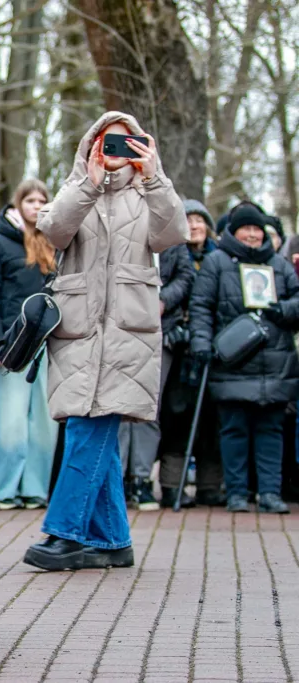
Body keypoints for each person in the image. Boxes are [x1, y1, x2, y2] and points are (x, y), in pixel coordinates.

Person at [23, 112, 188, 572]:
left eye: (125, 144)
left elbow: (172, 233)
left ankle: (64, 534)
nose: (114, 153)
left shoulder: (148, 194)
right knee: (92, 426)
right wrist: (89, 183)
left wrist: (155, 178)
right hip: (78, 328)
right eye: (105, 143)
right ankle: (113, 541)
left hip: (127, 332)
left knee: (88, 426)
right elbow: (53, 232)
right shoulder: (76, 190)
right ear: (90, 146)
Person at [189, 203, 299, 514]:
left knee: (271, 432)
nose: (251, 234)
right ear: (233, 232)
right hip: (232, 362)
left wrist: (284, 310)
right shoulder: (216, 262)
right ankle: (236, 492)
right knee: (233, 430)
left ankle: (269, 493)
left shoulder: (278, 264)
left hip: (275, 364)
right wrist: (201, 345)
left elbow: (298, 300)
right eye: (245, 228)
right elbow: (201, 306)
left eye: (256, 229)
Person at [0, 179, 60, 511]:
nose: (37, 206)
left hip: (49, 345)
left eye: (43, 200)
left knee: (45, 424)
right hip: (10, 348)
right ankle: (6, 490)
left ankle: (35, 490)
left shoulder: (57, 243)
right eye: (30, 200)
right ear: (18, 204)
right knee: (8, 423)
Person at [156, 199, 225, 508]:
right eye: (188, 220)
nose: (194, 225)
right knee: (177, 417)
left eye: (199, 220)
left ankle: (211, 485)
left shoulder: (220, 258)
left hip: (211, 348)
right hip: (177, 346)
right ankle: (173, 484)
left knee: (211, 419)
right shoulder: (172, 254)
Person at [118, 237, 195, 511]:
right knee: (120, 403)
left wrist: (163, 301)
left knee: (149, 406)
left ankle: (141, 478)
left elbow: (186, 276)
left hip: (161, 332)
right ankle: (119, 477)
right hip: (123, 327)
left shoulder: (171, 233)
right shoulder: (126, 224)